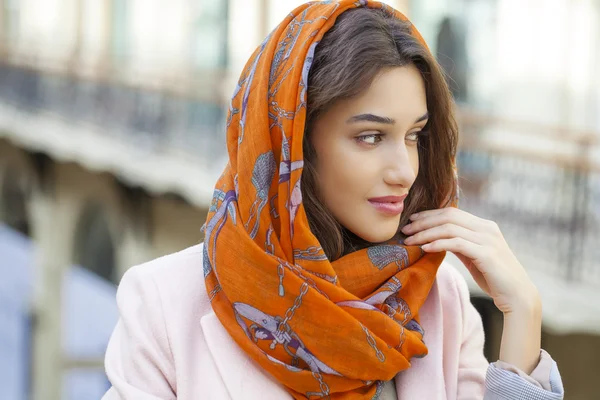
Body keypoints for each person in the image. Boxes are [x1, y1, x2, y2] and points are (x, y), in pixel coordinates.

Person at [102, 1, 564, 399]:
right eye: (370, 136)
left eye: (414, 136)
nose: (404, 171)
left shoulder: (440, 303)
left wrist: (523, 314)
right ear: (294, 145)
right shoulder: (163, 305)